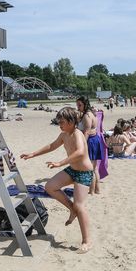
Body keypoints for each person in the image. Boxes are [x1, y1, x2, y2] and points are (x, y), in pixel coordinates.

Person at [20, 107, 93, 253]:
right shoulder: (64, 134)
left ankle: (87, 241)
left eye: (62, 122)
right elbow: (52, 146)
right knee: (50, 186)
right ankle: (71, 208)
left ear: (72, 122)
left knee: (80, 206)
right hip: (72, 170)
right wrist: (33, 154)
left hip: (84, 173)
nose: (60, 125)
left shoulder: (77, 134)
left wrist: (60, 163)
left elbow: (80, 152)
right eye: (59, 122)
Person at [76, 96, 101, 195]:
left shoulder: (87, 115)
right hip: (94, 140)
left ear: (85, 104)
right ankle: (97, 190)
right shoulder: (90, 114)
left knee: (90, 168)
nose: (78, 107)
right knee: (94, 168)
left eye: (80, 105)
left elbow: (86, 132)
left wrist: (82, 146)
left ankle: (91, 191)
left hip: (90, 141)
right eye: (77, 105)